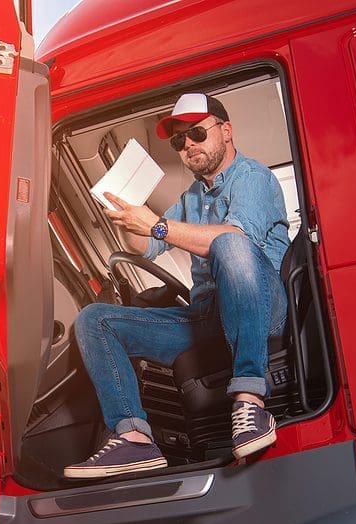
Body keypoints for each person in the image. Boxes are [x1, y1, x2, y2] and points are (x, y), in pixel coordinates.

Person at [64, 93, 290, 479]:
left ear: (226, 132)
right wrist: (128, 216)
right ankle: (134, 439)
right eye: (179, 141)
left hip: (259, 307)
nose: (188, 146)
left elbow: (234, 239)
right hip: (204, 318)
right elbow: (148, 244)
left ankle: (251, 402)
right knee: (94, 320)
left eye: (197, 134)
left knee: (229, 243)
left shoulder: (254, 178)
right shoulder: (192, 198)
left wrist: (156, 224)